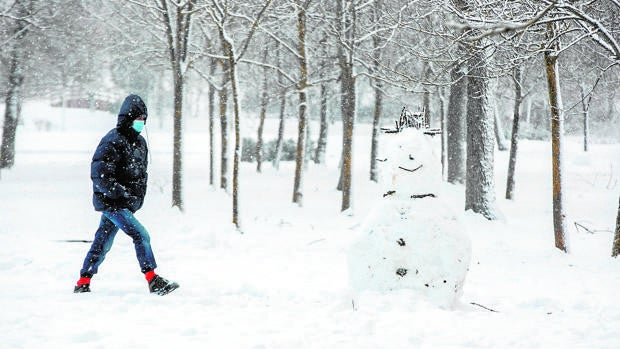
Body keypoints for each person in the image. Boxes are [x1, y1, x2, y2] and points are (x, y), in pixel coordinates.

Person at [74, 94, 179, 296]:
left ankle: (83, 281)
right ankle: (153, 280)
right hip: (112, 203)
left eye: (144, 120)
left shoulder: (140, 143)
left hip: (126, 203)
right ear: (128, 118)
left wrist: (135, 198)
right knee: (141, 235)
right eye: (138, 119)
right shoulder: (112, 141)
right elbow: (100, 174)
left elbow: (141, 174)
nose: (141, 123)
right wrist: (121, 194)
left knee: (101, 242)